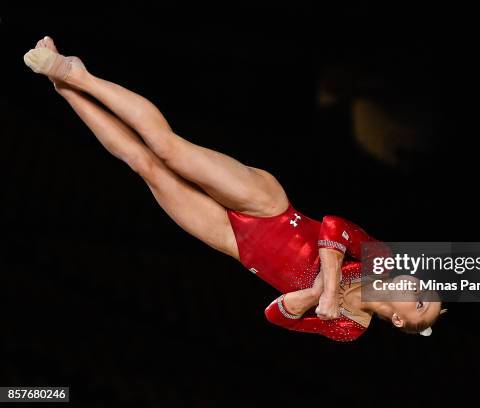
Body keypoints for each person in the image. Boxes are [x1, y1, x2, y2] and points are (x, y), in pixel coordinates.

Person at [23, 36, 443, 342]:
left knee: (144, 164)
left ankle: (65, 91)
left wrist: (312, 297)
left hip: (235, 245)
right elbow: (334, 225)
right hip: (270, 209)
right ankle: (79, 74)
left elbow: (276, 315)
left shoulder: (349, 328)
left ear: (402, 321)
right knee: (170, 150)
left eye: (422, 303)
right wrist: (328, 286)